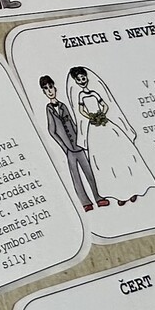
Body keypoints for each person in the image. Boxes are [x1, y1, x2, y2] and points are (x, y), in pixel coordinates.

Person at [67, 66, 155, 203]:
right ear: (76, 82)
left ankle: (133, 187)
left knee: (120, 153)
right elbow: (81, 110)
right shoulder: (81, 96)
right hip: (94, 127)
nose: (82, 81)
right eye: (79, 80)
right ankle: (119, 193)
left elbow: (105, 105)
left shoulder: (94, 93)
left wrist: (101, 114)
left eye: (83, 78)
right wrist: (91, 116)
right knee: (105, 159)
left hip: (105, 123)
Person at [39, 75, 102, 212]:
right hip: (68, 149)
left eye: (51, 87)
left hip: (77, 144)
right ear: (44, 92)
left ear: (55, 88)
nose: (49, 91)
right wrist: (63, 146)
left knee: (89, 171)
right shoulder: (49, 109)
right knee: (75, 175)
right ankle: (85, 202)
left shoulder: (63, 106)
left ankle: (98, 197)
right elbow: (51, 130)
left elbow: (72, 123)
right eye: (46, 89)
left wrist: (81, 140)